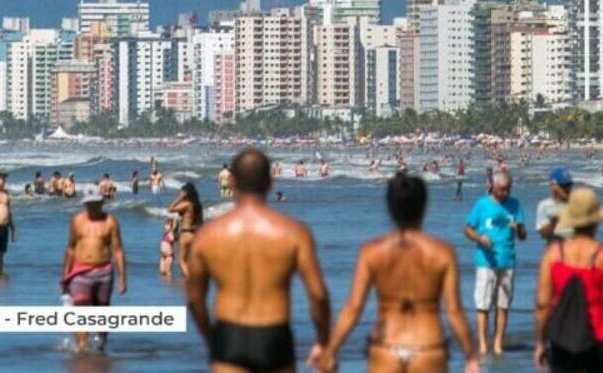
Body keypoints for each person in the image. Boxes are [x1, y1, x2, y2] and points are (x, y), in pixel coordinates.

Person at [186, 148, 331, 372]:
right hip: (274, 335)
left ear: (231, 182)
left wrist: (212, 339)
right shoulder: (294, 232)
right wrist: (323, 342)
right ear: (270, 182)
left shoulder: (208, 235)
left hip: (229, 334)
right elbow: (318, 295)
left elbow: (195, 300)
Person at [320, 173, 479, 372]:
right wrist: (470, 356)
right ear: (424, 206)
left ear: (389, 207)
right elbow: (454, 311)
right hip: (428, 348)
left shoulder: (371, 252)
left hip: (386, 347)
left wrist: (331, 350)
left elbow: (354, 308)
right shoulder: (442, 253)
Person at [533, 187, 603, 373]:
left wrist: (540, 342)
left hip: (563, 338)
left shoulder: (553, 254)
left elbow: (542, 304)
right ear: (596, 221)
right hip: (602, 338)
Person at [463, 170, 526, 356]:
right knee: (483, 304)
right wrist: (480, 238)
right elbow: (467, 229)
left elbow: (523, 236)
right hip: (486, 261)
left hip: (508, 261)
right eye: (501, 190)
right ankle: (483, 344)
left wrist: (520, 228)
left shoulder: (515, 205)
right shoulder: (482, 204)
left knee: (503, 305)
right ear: (493, 187)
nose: (504, 193)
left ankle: (498, 344)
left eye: (507, 190)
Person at [61, 183, 128, 354]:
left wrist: (122, 278)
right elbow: (70, 248)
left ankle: (101, 346)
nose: (93, 206)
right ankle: (82, 349)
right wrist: (65, 275)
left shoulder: (110, 222)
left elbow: (118, 250)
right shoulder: (77, 221)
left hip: (104, 271)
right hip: (80, 272)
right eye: (89, 203)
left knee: (102, 312)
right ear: (85, 203)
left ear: (101, 202)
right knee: (81, 312)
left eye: (96, 202)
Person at [168, 182, 205, 280]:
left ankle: (191, 280)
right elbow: (201, 223)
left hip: (186, 234)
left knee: (182, 260)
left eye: (182, 192)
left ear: (186, 193)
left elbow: (170, 209)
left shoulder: (186, 204)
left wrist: (179, 198)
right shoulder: (198, 206)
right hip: (196, 235)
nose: (180, 193)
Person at [535, 168, 574, 243]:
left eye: (569, 185)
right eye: (563, 186)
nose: (567, 189)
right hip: (555, 251)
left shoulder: (579, 204)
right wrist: (554, 222)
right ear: (553, 186)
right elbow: (543, 234)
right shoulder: (545, 206)